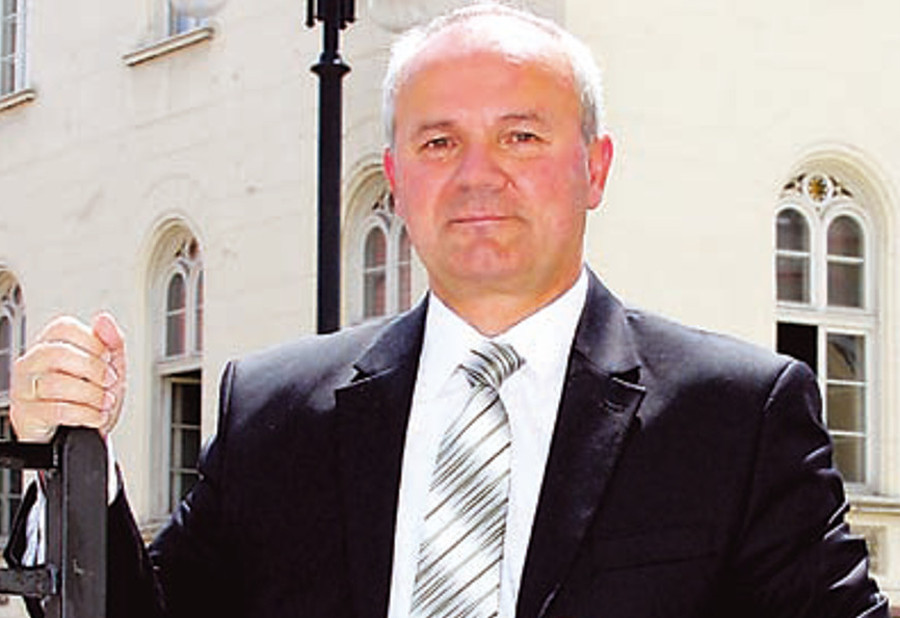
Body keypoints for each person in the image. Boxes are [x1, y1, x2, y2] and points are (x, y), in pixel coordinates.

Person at [5, 3, 889, 617]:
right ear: (396, 179)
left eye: (521, 136)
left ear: (594, 168)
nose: (477, 176)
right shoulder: (275, 414)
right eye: (438, 142)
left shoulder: (735, 417)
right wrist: (72, 462)